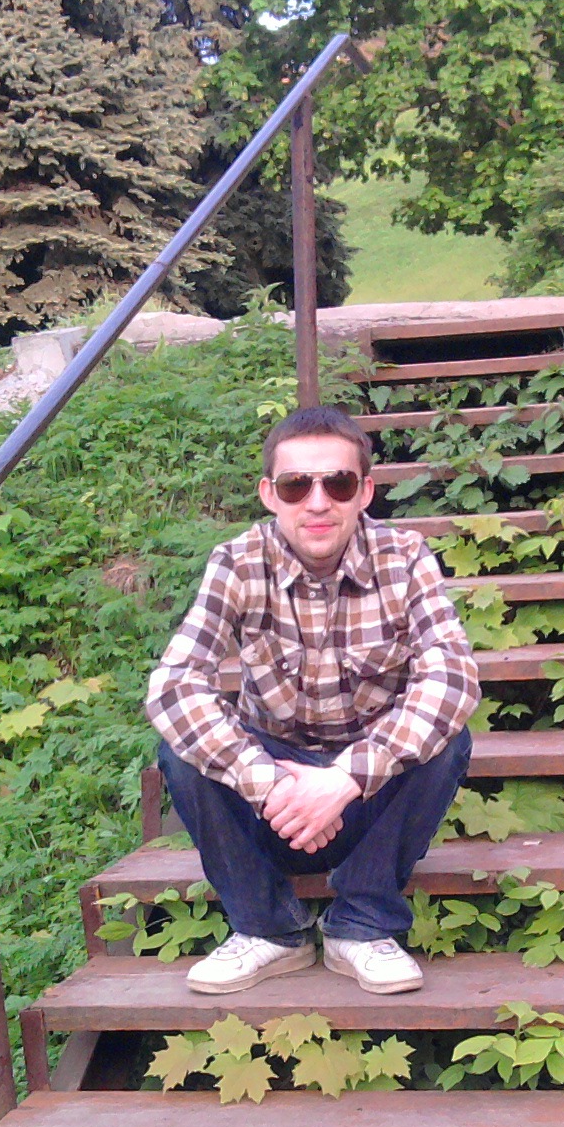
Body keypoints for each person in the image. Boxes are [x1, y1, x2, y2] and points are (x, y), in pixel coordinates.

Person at [145, 404, 480, 995]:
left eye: (338, 483)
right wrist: (269, 783)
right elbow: (174, 684)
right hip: (268, 804)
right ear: (269, 494)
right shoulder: (237, 562)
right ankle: (267, 928)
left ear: (365, 492)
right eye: (297, 485)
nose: (318, 502)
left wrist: (345, 779)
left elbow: (452, 674)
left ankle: (363, 922)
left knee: (449, 735)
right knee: (180, 747)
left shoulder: (405, 558)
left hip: (368, 799)